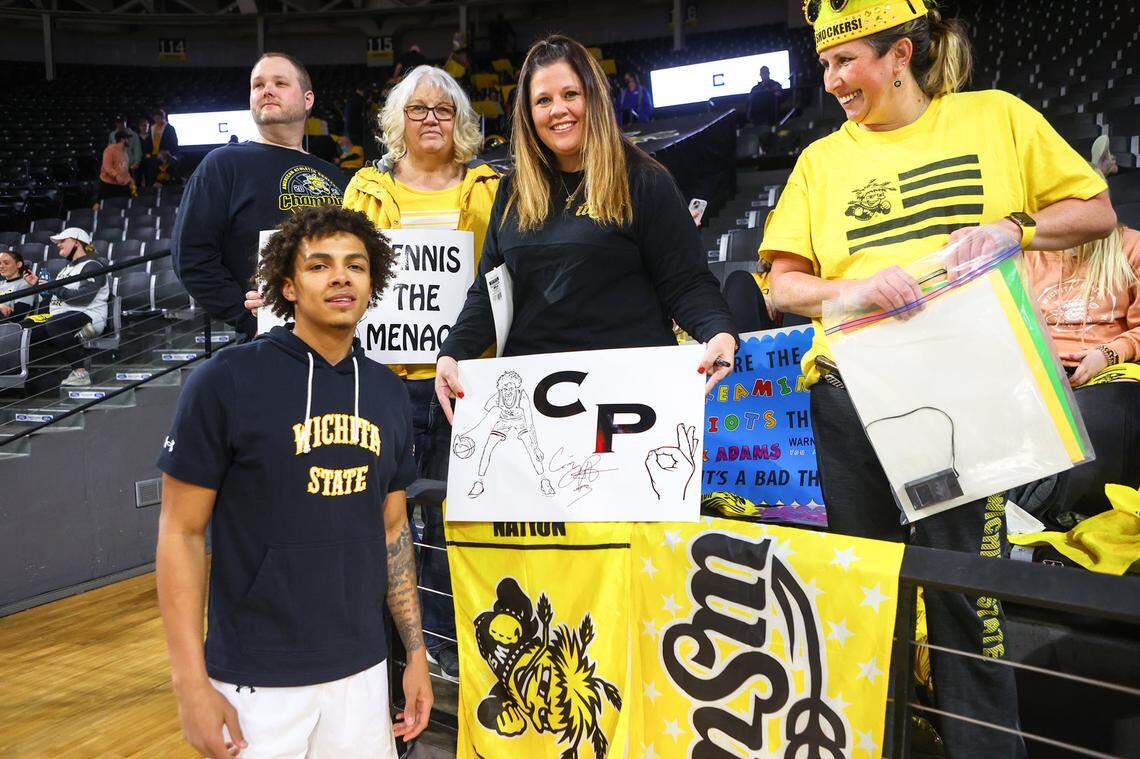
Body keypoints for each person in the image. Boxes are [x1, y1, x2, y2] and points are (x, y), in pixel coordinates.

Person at [760, 1, 1117, 755]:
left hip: (966, 392)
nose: (831, 81)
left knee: (966, 604)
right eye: (824, 65)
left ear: (900, 57)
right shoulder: (821, 161)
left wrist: (1012, 230)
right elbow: (781, 287)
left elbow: (1097, 210)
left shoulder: (996, 118)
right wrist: (849, 292)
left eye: (845, 60)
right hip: (850, 397)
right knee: (866, 600)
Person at [244, 64, 499, 683]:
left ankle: (446, 643)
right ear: (398, 122)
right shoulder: (364, 188)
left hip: (465, 384)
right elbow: (327, 266)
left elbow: (508, 274)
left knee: (451, 515)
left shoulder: (492, 188)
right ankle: (369, 644)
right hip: (378, 380)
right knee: (368, 514)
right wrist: (274, 296)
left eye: (443, 110)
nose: (431, 119)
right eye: (418, 110)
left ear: (461, 121)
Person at [156, 205, 432, 759]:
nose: (340, 277)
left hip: (362, 669)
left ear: (371, 283)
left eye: (355, 265)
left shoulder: (386, 391)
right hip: (257, 677)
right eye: (319, 265)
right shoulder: (226, 380)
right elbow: (180, 534)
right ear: (288, 283)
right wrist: (189, 684)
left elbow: (393, 529)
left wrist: (416, 655)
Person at [435, 34, 737, 421]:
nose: (558, 110)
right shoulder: (513, 189)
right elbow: (489, 291)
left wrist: (718, 331)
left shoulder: (644, 180)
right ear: (528, 114)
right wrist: (453, 352)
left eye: (570, 94)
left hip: (628, 397)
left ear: (593, 98)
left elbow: (685, 281)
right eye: (543, 100)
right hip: (532, 398)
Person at [174, 52, 347, 339]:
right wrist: (246, 318)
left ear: (308, 99)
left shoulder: (336, 175)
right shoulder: (223, 163)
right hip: (267, 343)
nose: (266, 90)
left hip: (338, 336)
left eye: (280, 83)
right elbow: (191, 257)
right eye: (258, 85)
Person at [1023, 217, 1139, 520]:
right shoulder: (1028, 251)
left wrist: (1109, 353)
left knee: (1098, 419)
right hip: (1039, 370)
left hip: (1112, 368)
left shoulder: (1131, 246)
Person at [20, 228, 109, 387]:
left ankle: (80, 373)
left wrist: (53, 287)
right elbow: (57, 299)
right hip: (60, 317)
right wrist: (38, 285)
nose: (58, 244)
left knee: (55, 323)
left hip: (87, 315)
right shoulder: (66, 269)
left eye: (62, 241)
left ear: (77, 242)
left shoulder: (93, 265)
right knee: (24, 327)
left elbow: (82, 298)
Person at [96, 130, 135, 208]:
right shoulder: (109, 150)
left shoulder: (125, 153)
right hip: (108, 184)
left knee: (124, 204)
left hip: (120, 185)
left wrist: (129, 179)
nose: (129, 140)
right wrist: (116, 175)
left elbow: (124, 169)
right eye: (127, 138)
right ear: (122, 139)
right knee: (100, 206)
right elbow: (107, 166)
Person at [142, 109, 179, 186]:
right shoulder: (152, 128)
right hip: (154, 154)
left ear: (163, 118)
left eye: (158, 118)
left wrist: (169, 154)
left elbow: (174, 143)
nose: (157, 120)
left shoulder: (169, 128)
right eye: (155, 119)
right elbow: (149, 142)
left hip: (166, 155)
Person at [0, 249, 37, 323]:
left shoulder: (25, 285)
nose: (1, 266)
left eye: (6, 263)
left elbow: (18, 316)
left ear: (18, 264)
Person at [108, 114, 142, 182]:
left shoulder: (133, 135)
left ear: (125, 122)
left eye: (122, 122)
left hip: (129, 165)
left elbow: (137, 149)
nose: (120, 124)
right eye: (118, 122)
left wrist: (136, 162)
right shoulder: (112, 135)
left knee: (130, 187)